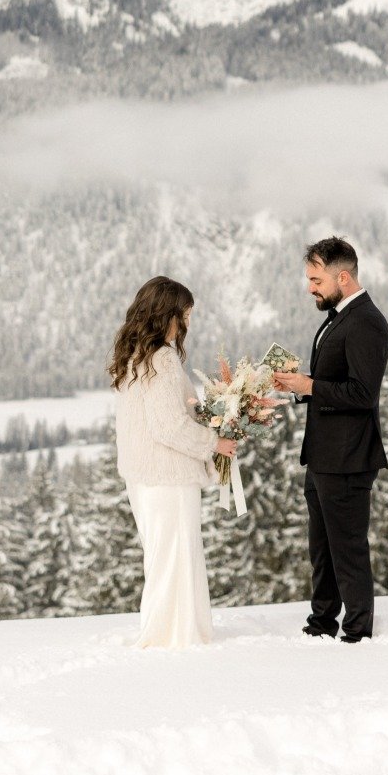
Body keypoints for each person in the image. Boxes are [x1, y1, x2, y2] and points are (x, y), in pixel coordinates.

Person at [272, 236, 388, 642]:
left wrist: (310, 385)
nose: (310, 287)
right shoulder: (338, 316)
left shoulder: (367, 322)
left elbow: (363, 394)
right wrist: (301, 384)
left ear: (343, 276)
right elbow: (332, 382)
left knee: (348, 550)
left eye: (316, 279)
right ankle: (321, 622)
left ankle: (358, 631)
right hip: (323, 456)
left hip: (348, 458)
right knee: (322, 550)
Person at [109, 275, 239, 649]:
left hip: (143, 476)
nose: (188, 322)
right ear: (167, 315)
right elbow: (169, 426)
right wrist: (216, 441)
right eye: (185, 314)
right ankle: (176, 635)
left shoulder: (134, 358)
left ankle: (167, 630)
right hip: (167, 476)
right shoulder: (162, 360)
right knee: (176, 557)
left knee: (161, 557)